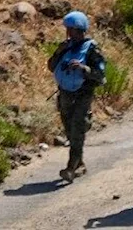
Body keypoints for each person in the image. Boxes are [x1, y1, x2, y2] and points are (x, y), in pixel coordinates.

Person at [47, 11, 106, 183]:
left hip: (83, 94)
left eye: (71, 30)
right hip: (65, 94)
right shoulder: (65, 46)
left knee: (77, 128)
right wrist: (59, 52)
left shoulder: (92, 49)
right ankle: (79, 163)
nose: (68, 33)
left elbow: (100, 74)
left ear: (79, 30)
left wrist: (82, 68)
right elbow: (51, 66)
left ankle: (71, 167)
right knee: (69, 129)